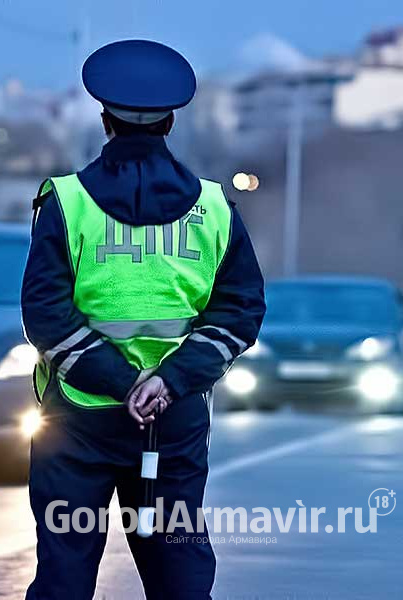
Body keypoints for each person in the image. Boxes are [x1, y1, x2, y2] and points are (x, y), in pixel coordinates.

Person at [21, 39, 266, 599]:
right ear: (171, 122)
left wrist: (119, 381)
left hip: (76, 425)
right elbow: (240, 311)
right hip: (172, 424)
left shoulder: (65, 202)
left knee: (64, 574)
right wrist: (166, 382)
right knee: (178, 577)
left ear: (104, 118)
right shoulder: (214, 208)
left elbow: (45, 314)